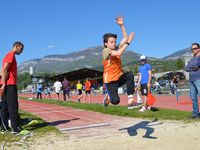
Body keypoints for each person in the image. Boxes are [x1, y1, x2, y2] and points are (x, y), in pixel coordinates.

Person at [102, 16, 136, 109]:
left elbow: (125, 37)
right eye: (111, 42)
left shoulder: (116, 48)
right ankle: (109, 96)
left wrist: (122, 25)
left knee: (129, 75)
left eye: (115, 42)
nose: (114, 43)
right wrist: (128, 43)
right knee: (116, 101)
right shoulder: (105, 51)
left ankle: (130, 100)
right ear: (106, 43)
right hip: (110, 81)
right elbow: (119, 52)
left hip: (118, 78)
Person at [0, 41, 25, 133]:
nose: (21, 51)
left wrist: (2, 84)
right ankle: (15, 128)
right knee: (13, 105)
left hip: (5, 83)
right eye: (21, 49)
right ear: (16, 46)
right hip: (9, 84)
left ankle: (4, 127)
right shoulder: (11, 55)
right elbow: (4, 69)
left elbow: (2, 70)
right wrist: (4, 84)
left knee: (5, 106)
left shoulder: (7, 55)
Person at [184, 43, 200, 118]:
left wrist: (192, 67)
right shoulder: (192, 58)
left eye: (195, 48)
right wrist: (193, 68)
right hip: (191, 80)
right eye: (192, 49)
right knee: (193, 97)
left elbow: (196, 66)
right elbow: (186, 68)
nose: (193, 50)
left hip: (198, 78)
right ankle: (195, 114)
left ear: (199, 48)